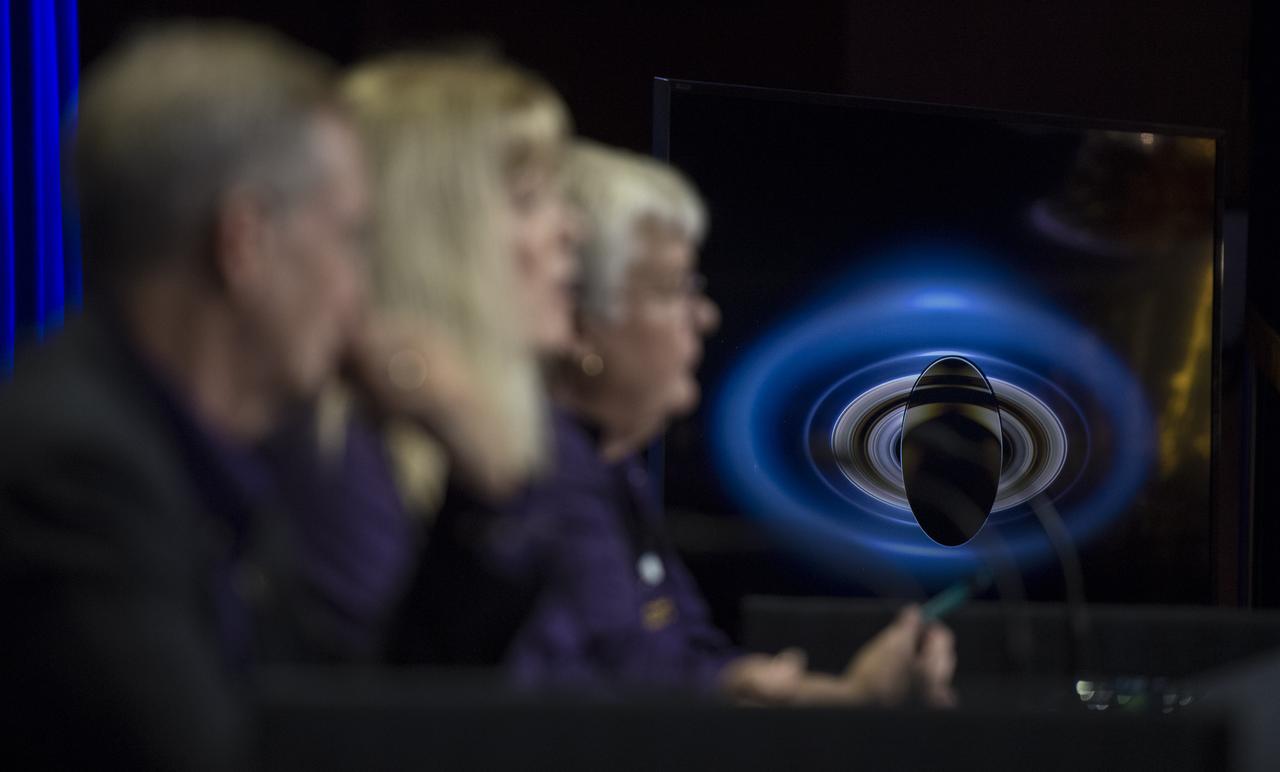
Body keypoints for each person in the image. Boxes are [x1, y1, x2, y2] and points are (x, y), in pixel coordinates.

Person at [0, 22, 370, 768]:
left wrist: (482, 505)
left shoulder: (217, 458)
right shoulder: (74, 472)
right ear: (245, 243)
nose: (359, 291)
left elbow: (343, 721)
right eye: (350, 238)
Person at [495, 141, 957, 705]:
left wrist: (852, 696)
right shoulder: (543, 473)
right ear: (581, 317)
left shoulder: (617, 472)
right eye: (672, 288)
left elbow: (681, 660)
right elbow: (635, 704)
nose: (705, 315)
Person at [334, 52, 585, 665]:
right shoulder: (348, 465)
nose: (571, 229)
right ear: (432, 232)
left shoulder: (542, 451)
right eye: (528, 201)